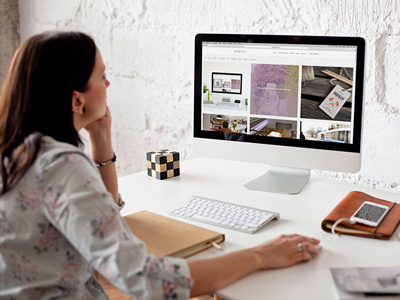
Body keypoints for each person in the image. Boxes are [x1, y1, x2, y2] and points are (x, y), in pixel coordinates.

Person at [0, 31, 320, 299]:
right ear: (76, 100)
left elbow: (101, 217)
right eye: (102, 76)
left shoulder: (18, 151)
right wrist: (260, 256)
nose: (108, 85)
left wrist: (101, 139)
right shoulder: (62, 166)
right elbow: (145, 280)